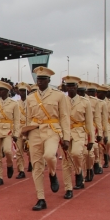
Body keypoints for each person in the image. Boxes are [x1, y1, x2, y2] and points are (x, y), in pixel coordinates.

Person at [23, 66, 71, 211]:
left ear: (49, 80)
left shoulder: (58, 96)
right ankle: (41, 198)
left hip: (52, 130)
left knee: (49, 155)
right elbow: (28, 118)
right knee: (36, 166)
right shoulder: (31, 98)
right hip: (35, 131)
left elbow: (64, 117)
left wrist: (66, 137)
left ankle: (52, 173)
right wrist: (26, 137)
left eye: (43, 79)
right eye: (39, 79)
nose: (41, 81)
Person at [61, 76, 94, 199]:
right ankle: (68, 188)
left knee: (76, 154)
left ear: (76, 87)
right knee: (66, 162)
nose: (70, 88)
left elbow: (89, 122)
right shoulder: (62, 101)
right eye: (68, 86)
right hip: (65, 133)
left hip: (80, 132)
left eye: (73, 86)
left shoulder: (85, 102)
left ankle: (79, 171)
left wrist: (91, 139)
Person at [0, 81, 20, 186]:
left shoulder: (14, 104)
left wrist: (16, 133)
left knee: (8, 151)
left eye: (2, 90)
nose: (0, 92)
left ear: (7, 91)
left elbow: (17, 120)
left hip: (8, 130)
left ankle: (9, 164)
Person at [85, 82, 105, 180]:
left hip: (93, 127)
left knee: (96, 148)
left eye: (92, 91)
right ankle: (88, 168)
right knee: (82, 152)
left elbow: (99, 119)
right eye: (88, 91)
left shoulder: (97, 102)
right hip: (80, 128)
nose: (90, 93)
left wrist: (100, 132)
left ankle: (98, 162)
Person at [15, 83, 30, 178]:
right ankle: (21, 170)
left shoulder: (32, 102)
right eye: (20, 90)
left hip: (29, 129)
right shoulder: (16, 103)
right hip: (19, 129)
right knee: (19, 151)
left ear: (27, 92)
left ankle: (31, 162)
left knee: (30, 151)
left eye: (24, 91)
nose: (22, 92)